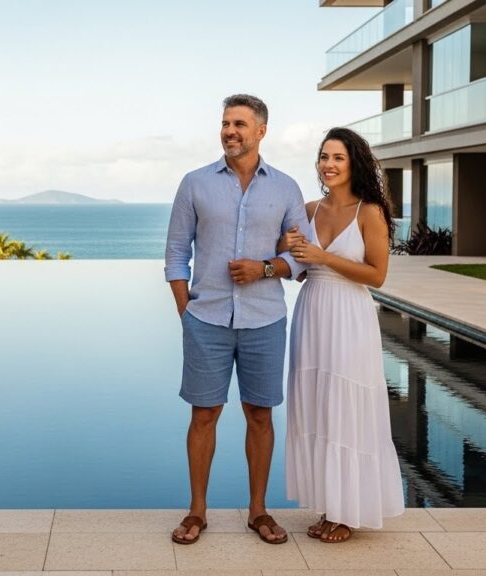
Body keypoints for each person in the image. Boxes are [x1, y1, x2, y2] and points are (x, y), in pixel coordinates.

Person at [165, 94, 311, 546]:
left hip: (264, 319)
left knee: (259, 414)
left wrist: (265, 268)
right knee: (204, 414)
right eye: (226, 123)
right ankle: (196, 512)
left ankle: (259, 512)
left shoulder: (285, 188)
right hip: (206, 319)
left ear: (261, 131)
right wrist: (185, 310)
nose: (230, 131)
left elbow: (300, 258)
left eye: (240, 124)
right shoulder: (194, 183)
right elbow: (175, 254)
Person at [280, 127, 405, 543]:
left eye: (338, 158)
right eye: (323, 157)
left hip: (349, 316)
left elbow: (378, 276)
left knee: (345, 405)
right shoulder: (309, 208)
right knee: (317, 405)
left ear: (354, 163)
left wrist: (322, 256)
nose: (329, 165)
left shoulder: (369, 212)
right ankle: (329, 505)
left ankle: (348, 512)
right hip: (312, 311)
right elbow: (301, 271)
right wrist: (296, 254)